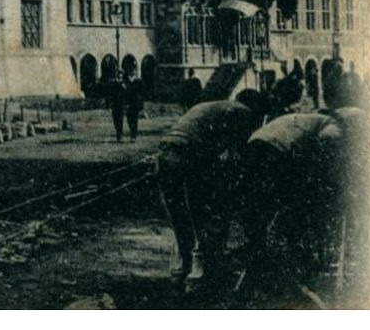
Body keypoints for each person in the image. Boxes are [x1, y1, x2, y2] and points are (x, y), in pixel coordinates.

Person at [154, 88, 266, 293]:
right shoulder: (243, 112)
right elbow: (237, 154)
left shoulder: (212, 107)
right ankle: (199, 279)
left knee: (179, 218)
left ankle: (179, 274)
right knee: (203, 217)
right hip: (190, 153)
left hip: (165, 152)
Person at [239, 110, 347, 288]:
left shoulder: (301, 119)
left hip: (254, 145)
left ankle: (257, 253)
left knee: (259, 202)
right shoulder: (331, 124)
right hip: (279, 151)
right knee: (292, 203)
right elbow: (328, 143)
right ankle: (294, 253)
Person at [122, 70, 144, 140]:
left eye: (133, 71)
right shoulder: (125, 81)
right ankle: (132, 132)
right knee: (129, 119)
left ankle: (133, 135)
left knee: (134, 119)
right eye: (131, 71)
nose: (132, 72)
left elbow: (142, 92)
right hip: (128, 103)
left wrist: (141, 103)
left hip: (135, 103)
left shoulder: (139, 81)